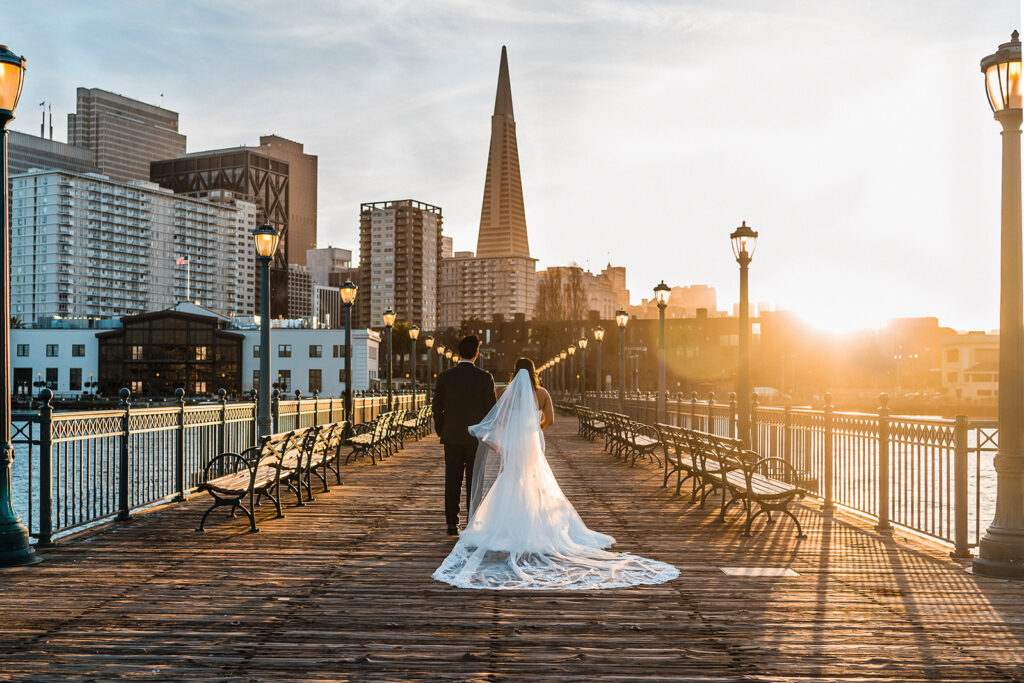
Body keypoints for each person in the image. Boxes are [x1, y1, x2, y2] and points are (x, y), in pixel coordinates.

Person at [432, 359, 679, 590]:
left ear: (514, 374)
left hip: (514, 445)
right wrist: (533, 429)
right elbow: (549, 420)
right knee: (535, 481)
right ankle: (535, 525)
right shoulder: (542, 394)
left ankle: (506, 526)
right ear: (534, 373)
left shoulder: (507, 395)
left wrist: (507, 435)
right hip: (531, 443)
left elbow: (500, 420)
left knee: (511, 479)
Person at [432, 335, 497, 536]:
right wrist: (487, 435)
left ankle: (452, 523)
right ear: (477, 353)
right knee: (474, 481)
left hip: (451, 436)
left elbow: (436, 408)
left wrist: (443, 430)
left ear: (459, 353)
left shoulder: (444, 377)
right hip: (476, 439)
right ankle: (473, 522)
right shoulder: (485, 378)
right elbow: (491, 412)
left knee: (452, 480)